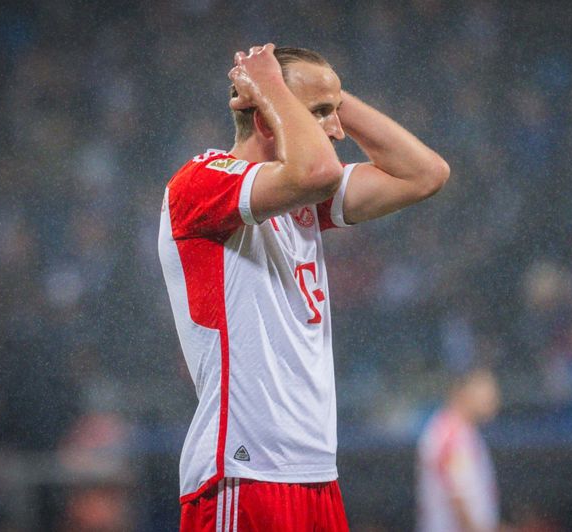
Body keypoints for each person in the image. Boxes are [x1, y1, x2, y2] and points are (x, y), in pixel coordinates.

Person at [159, 43, 449, 531]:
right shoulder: (201, 183)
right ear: (267, 114)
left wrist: (328, 95)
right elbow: (317, 171)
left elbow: (426, 174)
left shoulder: (303, 199)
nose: (338, 130)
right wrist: (273, 88)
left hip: (314, 471)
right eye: (320, 114)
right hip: (243, 471)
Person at [416, 367, 502, 532]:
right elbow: (456, 497)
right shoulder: (450, 433)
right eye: (484, 390)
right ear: (462, 392)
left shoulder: (465, 432)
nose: (493, 397)